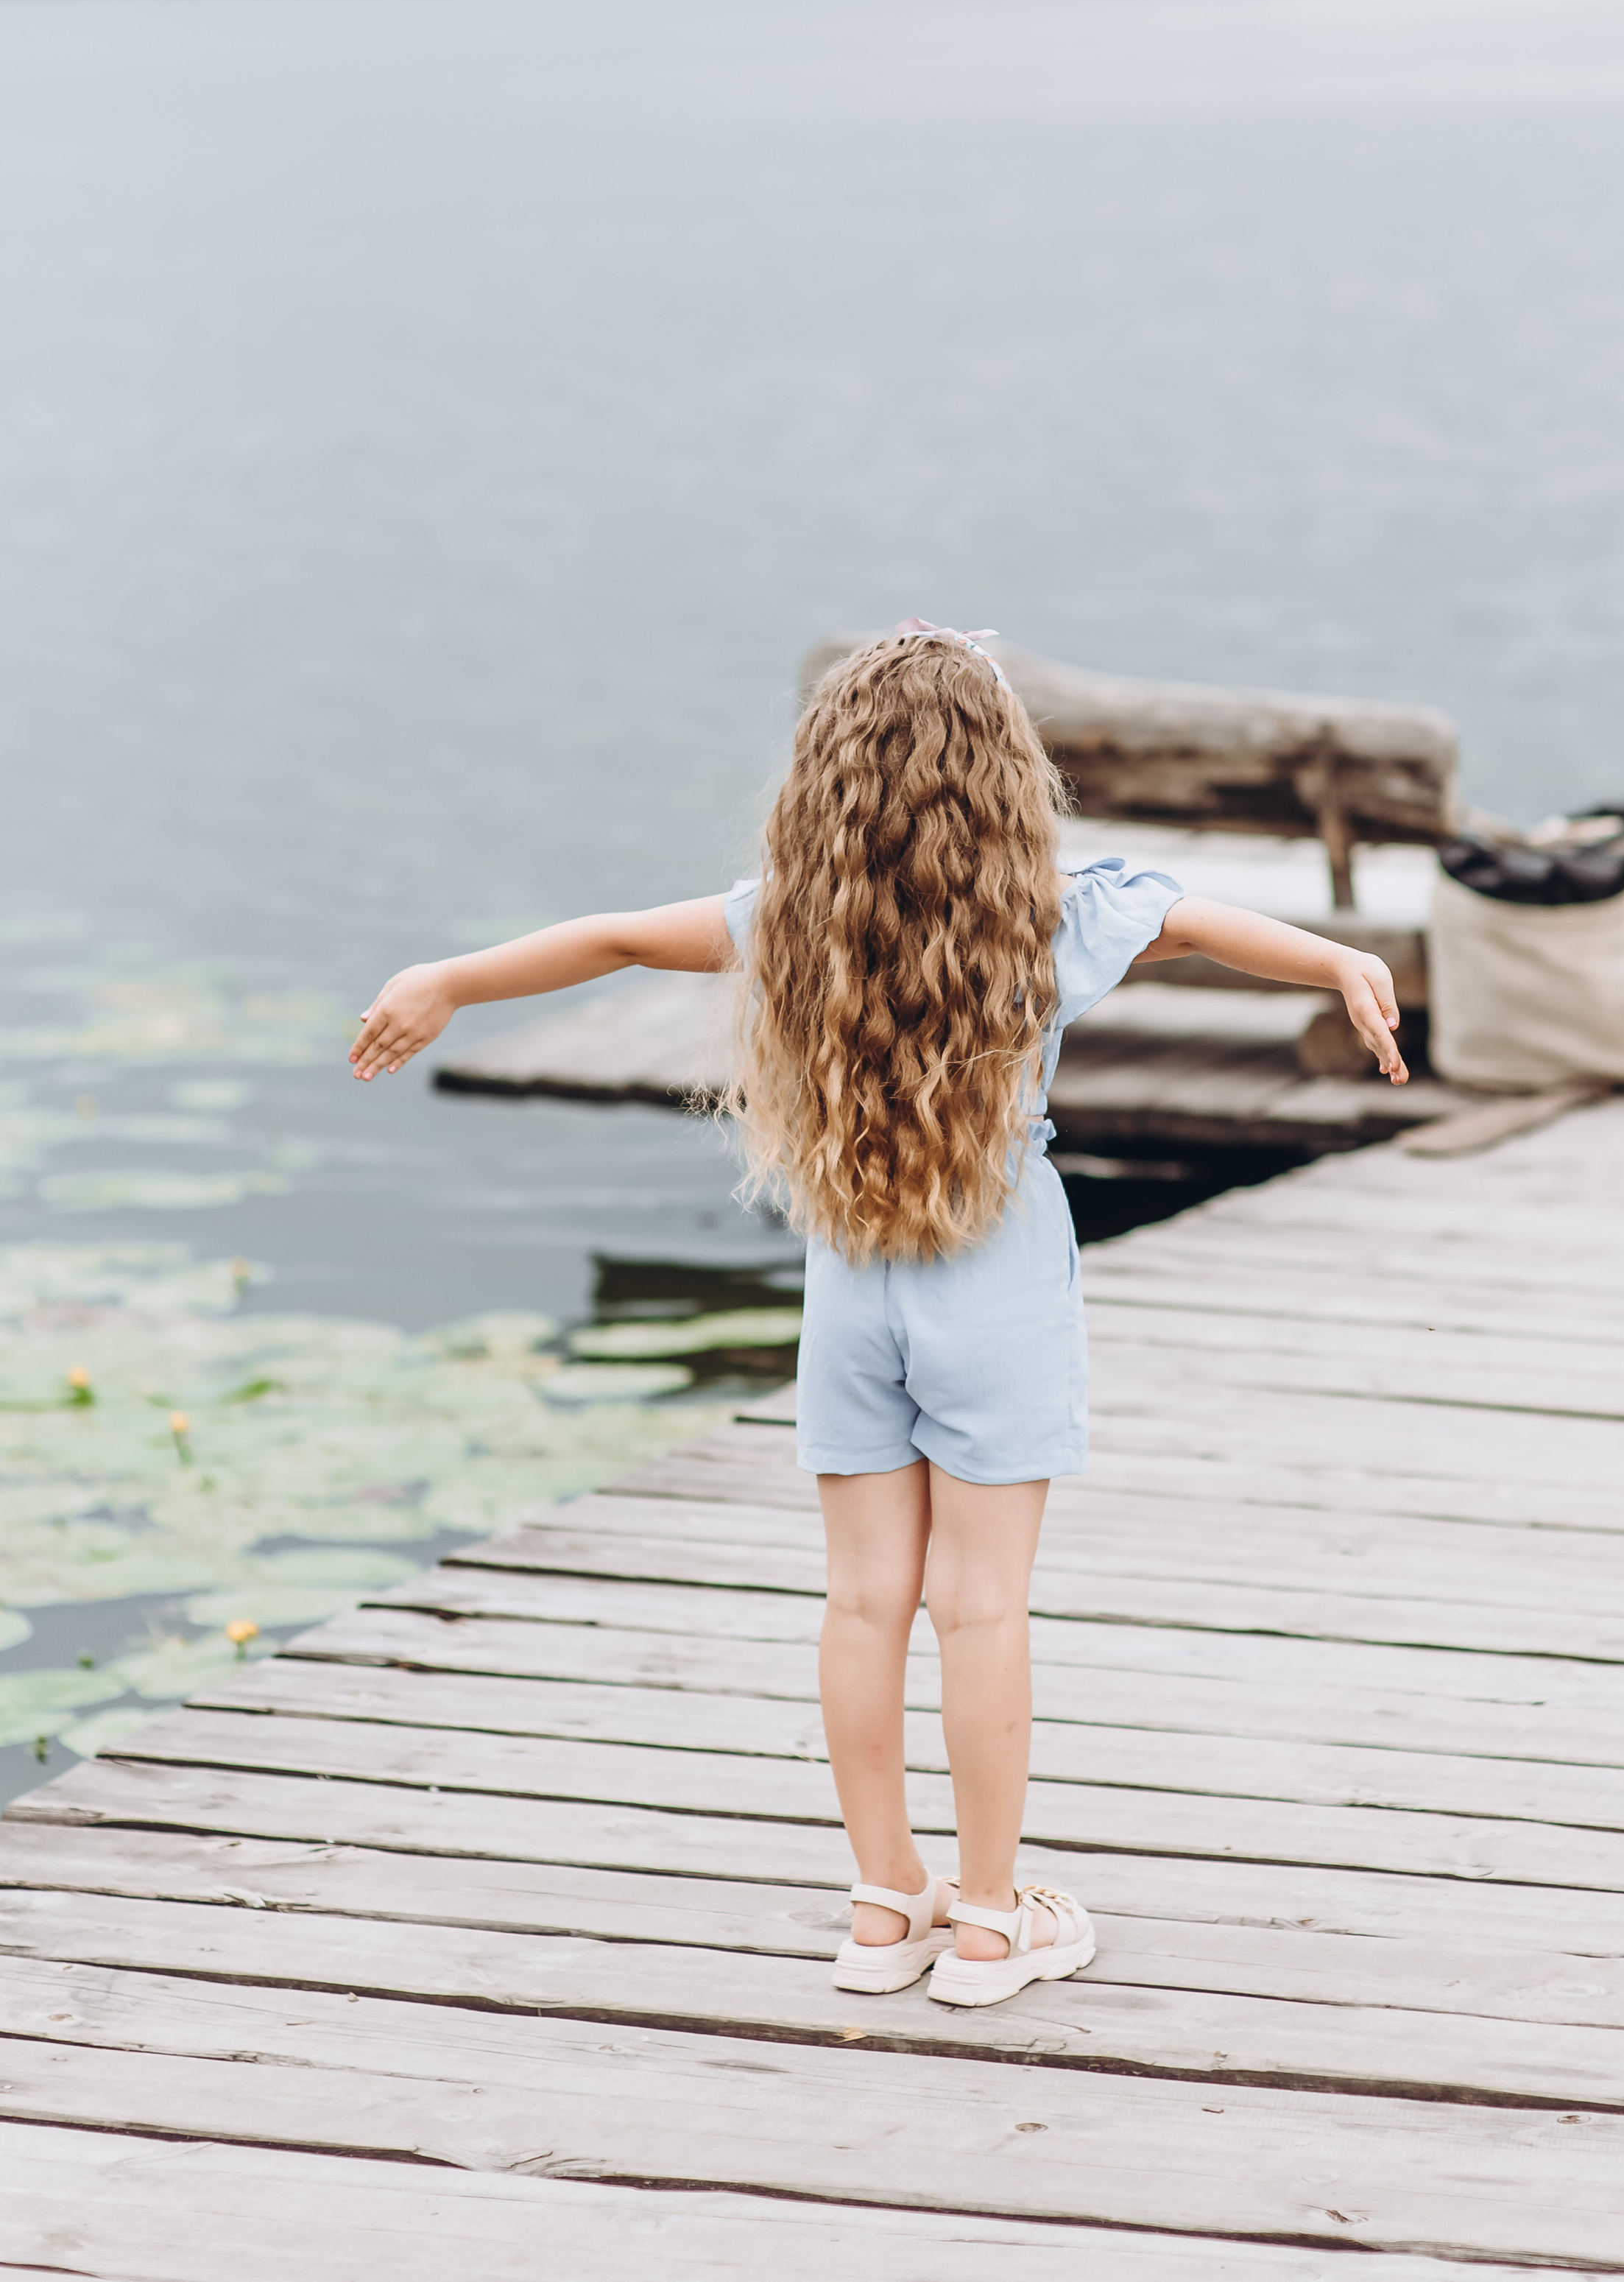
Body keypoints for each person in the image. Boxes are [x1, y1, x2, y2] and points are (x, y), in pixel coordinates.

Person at [349, 623, 1405, 2007]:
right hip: (997, 1282)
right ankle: (986, 1919)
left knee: (862, 1603)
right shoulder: (1053, 913)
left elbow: (609, 937)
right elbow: (1200, 921)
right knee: (981, 1610)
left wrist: (446, 978)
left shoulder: (789, 918)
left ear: (827, 785)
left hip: (853, 1279)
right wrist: (1338, 959)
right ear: (1003, 779)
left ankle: (879, 1901)